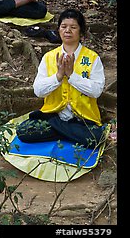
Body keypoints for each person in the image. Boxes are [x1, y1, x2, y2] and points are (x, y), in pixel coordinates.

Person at [16, 9, 106, 148]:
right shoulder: (49, 57)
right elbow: (38, 91)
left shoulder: (93, 58)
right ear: (58, 30)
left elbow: (96, 91)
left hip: (83, 120)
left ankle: (60, 131)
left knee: (95, 138)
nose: (68, 30)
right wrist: (58, 76)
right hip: (54, 116)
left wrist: (71, 76)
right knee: (23, 131)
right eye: (64, 27)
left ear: (81, 32)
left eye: (73, 27)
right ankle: (70, 133)